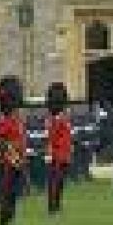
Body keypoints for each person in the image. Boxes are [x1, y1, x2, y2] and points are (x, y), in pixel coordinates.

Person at [0, 76, 25, 225]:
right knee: (6, 189)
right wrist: (12, 155)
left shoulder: (16, 119)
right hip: (8, 159)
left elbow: (20, 140)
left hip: (17, 157)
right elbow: (2, 142)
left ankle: (10, 215)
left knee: (13, 189)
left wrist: (20, 157)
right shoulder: (4, 121)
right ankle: (4, 217)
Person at [45, 83, 71, 215]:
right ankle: (52, 207)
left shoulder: (63, 117)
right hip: (56, 155)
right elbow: (52, 138)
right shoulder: (54, 119)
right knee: (54, 181)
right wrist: (50, 153)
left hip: (64, 154)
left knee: (60, 182)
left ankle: (57, 204)